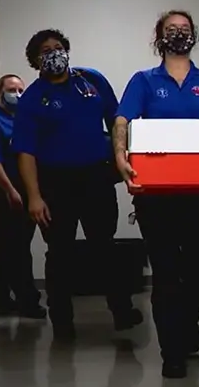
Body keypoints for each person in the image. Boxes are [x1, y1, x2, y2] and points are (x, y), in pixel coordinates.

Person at [111, 10, 199, 379]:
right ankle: (172, 351)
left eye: (184, 29)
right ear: (159, 37)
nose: (178, 34)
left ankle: (187, 322)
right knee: (167, 272)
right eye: (171, 30)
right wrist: (121, 156)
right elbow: (123, 121)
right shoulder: (144, 81)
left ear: (194, 36)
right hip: (156, 196)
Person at [13, 29, 143, 341]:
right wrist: (34, 197)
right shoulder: (32, 99)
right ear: (35, 60)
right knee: (60, 252)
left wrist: (123, 160)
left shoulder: (91, 80)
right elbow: (25, 152)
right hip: (55, 182)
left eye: (58, 48)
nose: (54, 53)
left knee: (105, 246)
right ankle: (62, 320)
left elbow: (117, 122)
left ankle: (122, 312)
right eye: (46, 50)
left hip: (96, 176)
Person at [0, 74, 47, 319]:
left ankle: (2, 300)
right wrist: (10, 190)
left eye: (22, 89)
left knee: (13, 249)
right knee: (16, 250)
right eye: (12, 89)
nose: (18, 94)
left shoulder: (23, 121)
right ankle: (28, 301)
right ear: (0, 93)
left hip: (27, 193)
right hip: (7, 194)